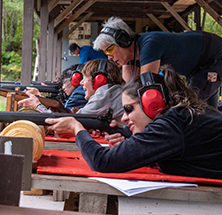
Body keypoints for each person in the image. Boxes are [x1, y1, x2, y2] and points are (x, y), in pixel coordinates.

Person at [45, 65, 222, 179]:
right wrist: (134, 145)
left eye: (129, 109)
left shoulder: (171, 124)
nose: (123, 117)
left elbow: (102, 162)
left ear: (153, 103)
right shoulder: (180, 118)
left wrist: (77, 129)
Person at [93, 16, 222, 108]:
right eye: (106, 53)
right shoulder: (130, 55)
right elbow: (128, 90)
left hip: (212, 57)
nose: (109, 57)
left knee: (190, 105)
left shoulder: (150, 45)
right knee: (207, 109)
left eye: (110, 50)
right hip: (196, 67)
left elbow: (146, 88)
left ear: (123, 41)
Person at [18, 59, 125, 125]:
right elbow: (76, 115)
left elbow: (71, 122)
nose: (81, 82)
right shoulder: (113, 92)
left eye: (86, 78)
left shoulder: (106, 93)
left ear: (100, 80)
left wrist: (37, 106)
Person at [20, 64, 88, 111]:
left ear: (75, 80)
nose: (63, 88)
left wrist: (39, 98)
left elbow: (63, 112)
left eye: (64, 83)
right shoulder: (80, 92)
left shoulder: (78, 93)